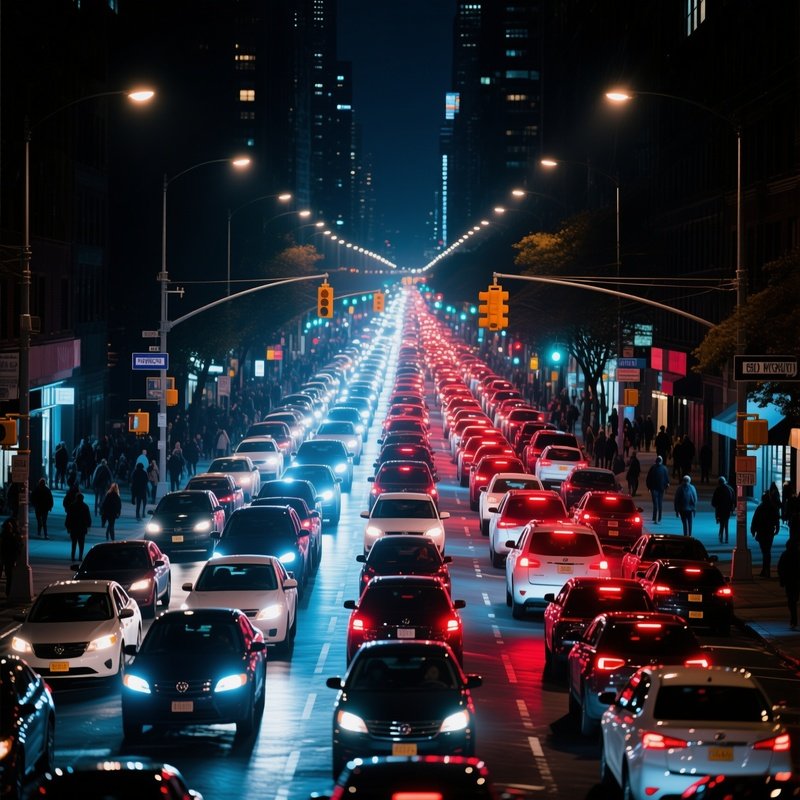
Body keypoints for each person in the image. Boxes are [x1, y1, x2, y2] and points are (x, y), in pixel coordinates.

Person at [751, 491, 781, 578]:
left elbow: (755, 519)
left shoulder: (760, 508)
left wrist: (753, 530)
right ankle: (766, 569)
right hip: (769, 531)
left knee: (765, 551)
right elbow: (777, 519)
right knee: (767, 550)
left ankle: (765, 570)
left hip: (762, 531)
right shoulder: (773, 508)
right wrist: (777, 529)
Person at [778, 537, 800, 629]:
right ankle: (794, 619)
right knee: (793, 599)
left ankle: (793, 620)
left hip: (789, 581)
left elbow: (780, 569)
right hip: (797, 580)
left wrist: (782, 580)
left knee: (791, 601)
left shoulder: (785, 555)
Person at [65, 491, 92, 561]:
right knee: (81, 544)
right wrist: (88, 525)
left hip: (74, 528)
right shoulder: (85, 507)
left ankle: (73, 556)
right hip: (82, 528)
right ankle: (80, 556)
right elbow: (88, 517)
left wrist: (68, 526)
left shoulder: (72, 506)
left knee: (74, 543)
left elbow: (69, 517)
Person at [0, 517, 22, 597]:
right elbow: (17, 546)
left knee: (9, 576)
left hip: (6, 558)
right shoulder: (12, 537)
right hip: (9, 559)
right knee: (9, 577)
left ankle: (8, 593)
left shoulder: (4, 536)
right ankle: (8, 593)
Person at [645, 455, 670, 524]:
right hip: (661, 488)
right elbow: (667, 479)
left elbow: (648, 478)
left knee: (655, 504)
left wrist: (648, 487)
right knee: (660, 503)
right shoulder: (664, 468)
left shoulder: (653, 468)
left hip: (653, 488)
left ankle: (655, 517)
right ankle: (659, 518)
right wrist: (666, 486)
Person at [711, 476, 736, 544]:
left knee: (721, 523)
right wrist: (732, 508)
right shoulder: (730, 489)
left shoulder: (718, 489)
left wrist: (716, 505)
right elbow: (733, 500)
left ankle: (721, 537)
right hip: (727, 509)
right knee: (726, 523)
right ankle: (726, 538)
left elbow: (714, 501)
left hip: (720, 509)